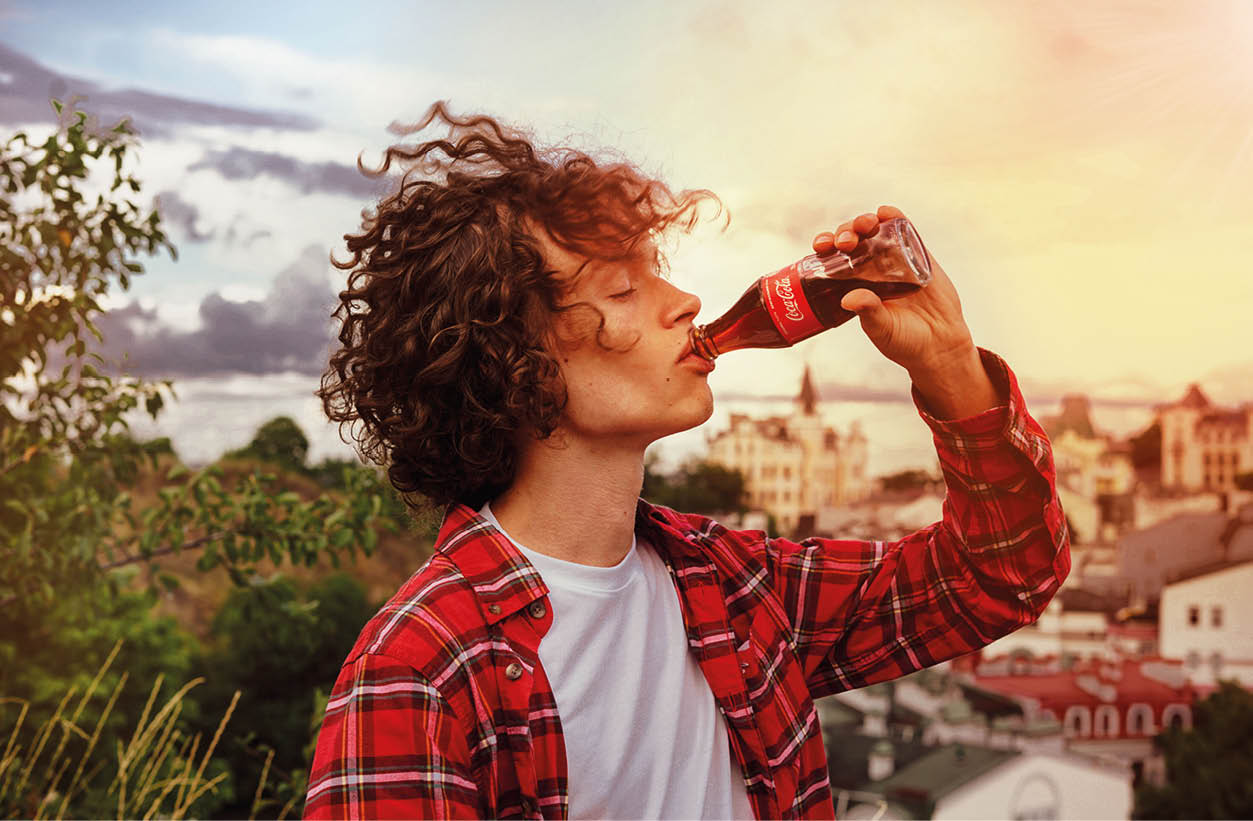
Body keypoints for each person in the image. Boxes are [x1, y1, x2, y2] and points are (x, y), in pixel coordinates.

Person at [304, 102, 1070, 820]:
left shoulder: (730, 587)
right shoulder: (417, 671)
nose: (687, 301)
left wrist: (950, 367)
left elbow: (997, 577)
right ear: (513, 361)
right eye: (624, 287)